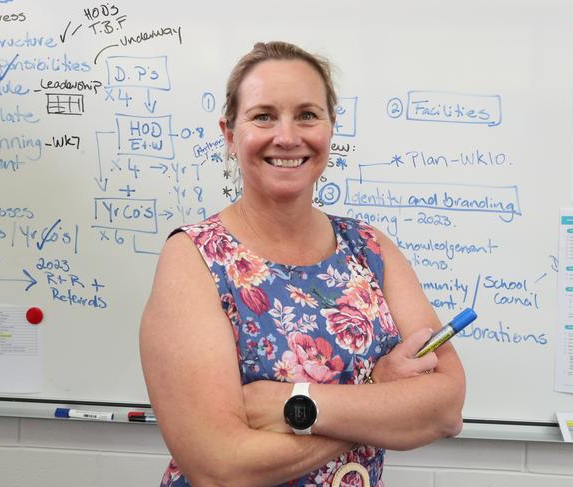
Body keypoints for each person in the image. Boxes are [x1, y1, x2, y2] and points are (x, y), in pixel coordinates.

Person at [140, 41, 465, 487]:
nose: (288, 136)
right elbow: (220, 467)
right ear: (230, 135)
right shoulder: (194, 257)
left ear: (330, 129)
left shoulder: (370, 248)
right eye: (263, 115)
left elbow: (445, 407)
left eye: (308, 115)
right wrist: (378, 399)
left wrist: (289, 406)